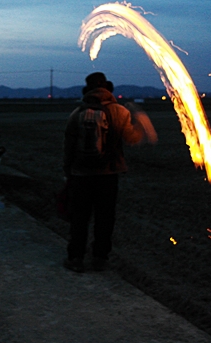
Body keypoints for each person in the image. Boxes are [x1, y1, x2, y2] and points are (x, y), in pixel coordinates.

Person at [63, 72, 157, 273]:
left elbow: (68, 146)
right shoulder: (120, 112)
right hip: (108, 174)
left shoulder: (77, 113)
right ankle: (99, 259)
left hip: (81, 175)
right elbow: (133, 140)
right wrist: (139, 120)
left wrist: (68, 172)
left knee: (80, 218)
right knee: (105, 218)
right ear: (108, 89)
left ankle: (76, 258)